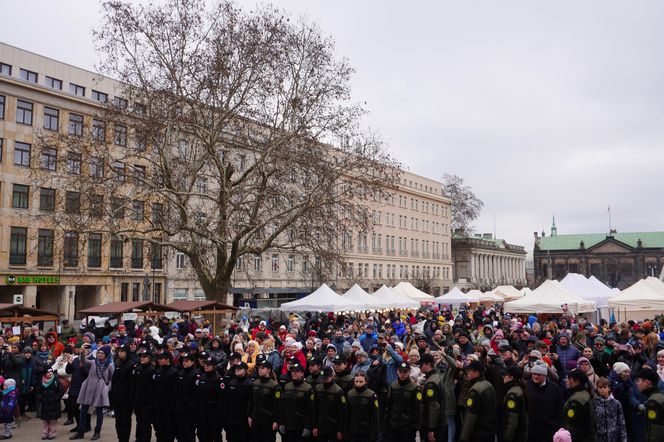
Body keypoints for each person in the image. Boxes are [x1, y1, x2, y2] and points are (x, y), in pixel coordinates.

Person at [71, 345, 114, 441]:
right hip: (89, 387)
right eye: (98, 352)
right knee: (83, 409)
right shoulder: (93, 362)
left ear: (106, 355)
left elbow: (112, 378)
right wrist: (82, 352)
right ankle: (80, 431)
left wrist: (107, 388)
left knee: (99, 411)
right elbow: (83, 361)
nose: (99, 354)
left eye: (102, 353)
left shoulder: (110, 365)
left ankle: (97, 432)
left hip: (100, 388)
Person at [459, 360, 497, 442]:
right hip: (490, 432)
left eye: (469, 371)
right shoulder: (489, 385)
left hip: (478, 434)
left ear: (476, 373)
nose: (467, 374)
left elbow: (471, 416)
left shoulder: (475, 390)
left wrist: (463, 438)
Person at [525, 361, 563, 442]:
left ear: (545, 375)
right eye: (533, 374)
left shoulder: (554, 388)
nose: (535, 376)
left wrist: (555, 424)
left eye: (538, 374)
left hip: (549, 431)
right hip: (531, 431)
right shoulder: (526, 386)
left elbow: (560, 408)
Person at [385, 361, 421, 442]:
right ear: (397, 371)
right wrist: (387, 422)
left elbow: (418, 409)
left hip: (407, 428)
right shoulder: (393, 385)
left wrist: (414, 427)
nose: (402, 374)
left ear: (409, 372)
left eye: (405, 372)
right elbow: (389, 405)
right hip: (393, 426)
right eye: (400, 371)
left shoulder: (415, 388)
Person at [247, 360, 281, 442]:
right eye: (259, 368)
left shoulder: (275, 386)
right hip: (256, 419)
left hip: (268, 421)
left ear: (268, 370)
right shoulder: (255, 383)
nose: (260, 369)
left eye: (263, 368)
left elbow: (278, 405)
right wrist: (249, 415)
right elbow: (251, 401)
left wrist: (276, 421)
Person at [280, 362, 314, 441]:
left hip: (301, 427)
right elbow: (282, 406)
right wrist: (281, 422)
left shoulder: (308, 388)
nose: (294, 373)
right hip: (288, 426)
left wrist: (307, 427)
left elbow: (311, 410)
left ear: (302, 373)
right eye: (292, 371)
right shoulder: (287, 386)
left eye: (297, 371)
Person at [419, 353, 447, 442]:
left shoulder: (430, 383)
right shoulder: (435, 377)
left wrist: (431, 429)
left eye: (421, 365)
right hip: (438, 423)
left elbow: (433, 407)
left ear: (428, 365)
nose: (420, 367)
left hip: (434, 425)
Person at [562, 368, 596, 442]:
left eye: (569, 378)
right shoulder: (584, 393)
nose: (566, 380)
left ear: (577, 381)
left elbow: (573, 425)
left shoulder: (577, 400)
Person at [174, 353, 200, 442]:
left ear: (192, 362)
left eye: (187, 361)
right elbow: (177, 391)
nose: (184, 363)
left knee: (189, 432)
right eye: (183, 361)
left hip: (189, 409)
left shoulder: (195, 374)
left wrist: (191, 406)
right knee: (180, 432)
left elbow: (195, 394)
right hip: (179, 407)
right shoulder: (180, 373)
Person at [110, 344, 134, 442]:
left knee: (125, 421)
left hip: (126, 399)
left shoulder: (131, 365)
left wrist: (130, 399)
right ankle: (120, 438)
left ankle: (125, 439)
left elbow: (132, 384)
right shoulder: (118, 363)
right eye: (119, 351)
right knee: (118, 421)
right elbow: (114, 381)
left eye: (122, 351)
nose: (120, 353)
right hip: (117, 398)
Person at [196, 356, 223, 442]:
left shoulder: (218, 379)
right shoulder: (202, 377)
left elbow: (221, 398)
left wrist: (219, 413)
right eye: (205, 364)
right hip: (203, 410)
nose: (206, 366)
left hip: (214, 411)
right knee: (204, 434)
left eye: (209, 365)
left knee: (215, 434)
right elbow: (199, 394)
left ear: (214, 366)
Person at [345, 372, 378, 442]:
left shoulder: (371, 395)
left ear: (365, 382)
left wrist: (373, 434)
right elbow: (347, 413)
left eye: (361, 381)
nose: (358, 384)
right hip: (353, 430)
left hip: (366, 431)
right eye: (356, 381)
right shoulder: (350, 393)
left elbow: (374, 416)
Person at [153, 351, 178, 442]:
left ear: (167, 360)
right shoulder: (158, 371)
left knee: (169, 427)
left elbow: (175, 391)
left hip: (168, 406)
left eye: (161, 359)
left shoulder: (174, 372)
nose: (159, 360)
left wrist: (173, 405)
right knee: (159, 427)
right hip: (158, 404)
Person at [224, 361, 252, 442]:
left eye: (240, 369)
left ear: (245, 370)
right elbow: (227, 401)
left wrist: (249, 415)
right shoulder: (231, 383)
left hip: (244, 419)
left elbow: (250, 403)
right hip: (232, 417)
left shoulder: (249, 384)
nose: (237, 370)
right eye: (236, 368)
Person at [634, 368, 664, 442]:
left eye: (638, 380)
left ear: (647, 382)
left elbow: (655, 430)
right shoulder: (659, 396)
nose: (636, 383)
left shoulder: (652, 402)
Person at [593, 376, 627, 442]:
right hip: (599, 437)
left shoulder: (616, 403)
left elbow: (621, 422)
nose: (603, 389)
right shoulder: (594, 403)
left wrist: (624, 439)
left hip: (614, 437)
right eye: (600, 387)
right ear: (597, 389)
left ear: (609, 388)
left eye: (605, 387)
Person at [132, 349, 155, 442]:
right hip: (138, 400)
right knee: (139, 421)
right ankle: (138, 438)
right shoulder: (138, 368)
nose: (142, 358)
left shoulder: (152, 370)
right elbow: (135, 385)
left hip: (147, 401)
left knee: (146, 422)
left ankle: (145, 439)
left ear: (149, 358)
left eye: (144, 357)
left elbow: (152, 389)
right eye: (141, 357)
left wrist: (150, 402)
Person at [502, 365, 527, 442]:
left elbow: (512, 419)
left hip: (515, 436)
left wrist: (507, 438)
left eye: (505, 375)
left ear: (511, 377)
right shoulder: (518, 388)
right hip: (520, 433)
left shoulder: (512, 394)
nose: (503, 377)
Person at [37, 367, 64, 440]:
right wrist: (40, 398)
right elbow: (38, 391)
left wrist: (56, 398)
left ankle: (52, 433)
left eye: (51, 372)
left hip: (54, 404)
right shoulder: (42, 381)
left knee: (53, 420)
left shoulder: (56, 380)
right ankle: (45, 433)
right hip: (45, 404)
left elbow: (61, 390)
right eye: (48, 372)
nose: (50, 373)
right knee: (45, 420)